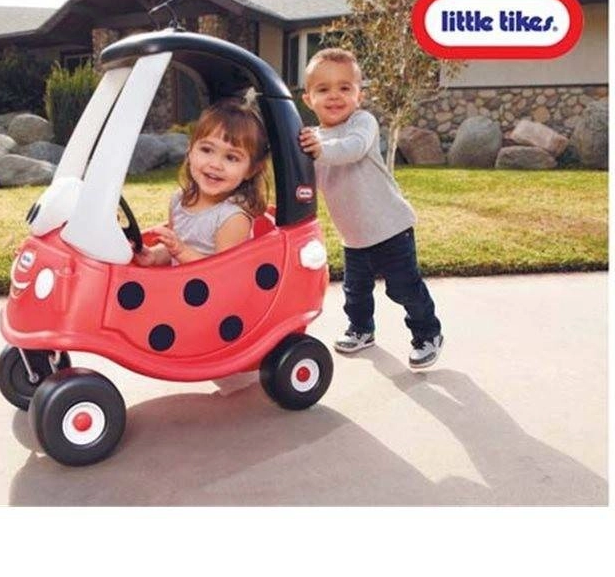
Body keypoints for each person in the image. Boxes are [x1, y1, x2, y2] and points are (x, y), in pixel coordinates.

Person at [298, 48, 444, 369]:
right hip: (354, 235)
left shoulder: (363, 123)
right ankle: (362, 329)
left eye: (345, 87)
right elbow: (308, 180)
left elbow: (351, 149)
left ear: (359, 95)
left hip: (391, 228)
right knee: (355, 292)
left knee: (404, 288)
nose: (334, 95)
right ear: (308, 99)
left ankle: (427, 333)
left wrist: (318, 150)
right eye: (323, 89)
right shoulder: (312, 140)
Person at [133, 96, 270, 267]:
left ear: (251, 170)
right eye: (206, 150)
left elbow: (224, 272)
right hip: (181, 282)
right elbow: (172, 250)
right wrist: (153, 256)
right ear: (190, 151)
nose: (215, 164)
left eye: (231, 157)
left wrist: (181, 251)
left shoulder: (233, 218)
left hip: (217, 284)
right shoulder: (179, 200)